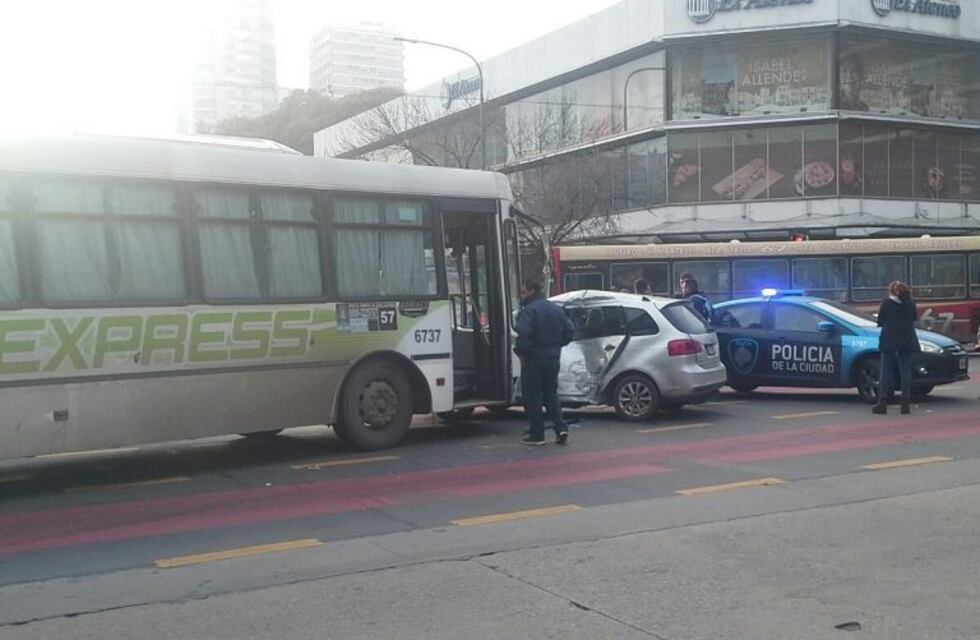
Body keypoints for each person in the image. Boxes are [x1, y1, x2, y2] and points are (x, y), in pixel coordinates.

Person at [515, 280, 575, 446]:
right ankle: (561, 428)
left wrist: (521, 352)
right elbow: (569, 331)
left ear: (532, 291)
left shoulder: (529, 311)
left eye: (523, 292)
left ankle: (537, 434)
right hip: (553, 357)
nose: (521, 296)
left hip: (533, 359)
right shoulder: (555, 309)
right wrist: (556, 345)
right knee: (551, 394)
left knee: (533, 396)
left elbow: (523, 333)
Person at [873, 281, 920, 415]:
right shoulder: (910, 303)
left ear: (892, 291)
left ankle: (882, 402)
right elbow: (913, 318)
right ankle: (905, 404)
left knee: (886, 371)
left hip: (889, 339)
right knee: (905, 371)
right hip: (907, 340)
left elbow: (880, 321)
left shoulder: (887, 304)